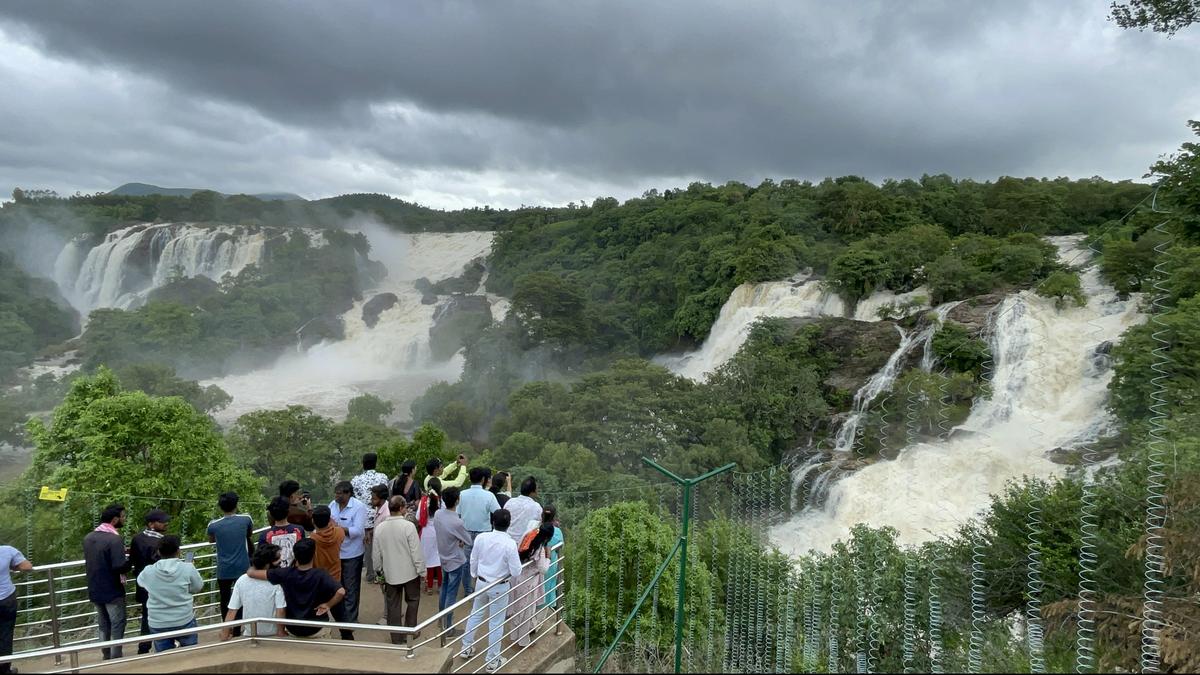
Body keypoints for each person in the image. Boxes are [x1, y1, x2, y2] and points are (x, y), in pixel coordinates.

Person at [459, 509, 522, 673]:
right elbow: (516, 571)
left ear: (492, 522)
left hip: (481, 583)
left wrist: (474, 575)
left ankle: (466, 647)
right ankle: (492, 660)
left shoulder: (481, 538)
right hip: (499, 586)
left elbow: (473, 558)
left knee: (476, 613)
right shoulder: (509, 544)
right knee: (496, 623)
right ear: (509, 524)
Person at [248, 539, 345, 638]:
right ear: (314, 554)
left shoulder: (284, 573)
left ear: (295, 556)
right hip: (317, 627)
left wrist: (256, 562)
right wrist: (328, 605)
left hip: (292, 628)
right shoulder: (321, 575)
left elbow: (251, 573)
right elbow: (341, 592)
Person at [372, 495, 425, 645]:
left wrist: (378, 571)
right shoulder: (408, 526)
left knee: (393, 605)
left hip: (390, 573)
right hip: (410, 573)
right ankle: (410, 630)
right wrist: (422, 570)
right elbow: (416, 551)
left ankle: (396, 637)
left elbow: (376, 554)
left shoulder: (380, 527)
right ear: (402, 508)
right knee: (413, 600)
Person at [136, 535, 203, 652]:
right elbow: (197, 587)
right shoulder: (188, 568)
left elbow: (141, 582)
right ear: (178, 551)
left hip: (158, 622)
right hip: (184, 619)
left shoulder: (148, 571)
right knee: (191, 654)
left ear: (158, 552)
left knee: (165, 657)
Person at [83, 503, 130, 660]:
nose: (124, 519)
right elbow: (118, 565)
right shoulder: (114, 539)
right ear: (115, 519)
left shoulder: (89, 537)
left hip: (94, 587)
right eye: (123, 516)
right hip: (112, 589)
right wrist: (130, 561)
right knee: (117, 622)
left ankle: (106, 654)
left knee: (103, 624)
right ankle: (116, 656)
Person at [207, 492, 254, 639]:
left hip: (224, 568)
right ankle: (238, 629)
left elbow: (211, 540)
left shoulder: (213, 525)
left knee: (225, 599)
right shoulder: (246, 519)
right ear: (236, 504)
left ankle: (226, 628)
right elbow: (249, 534)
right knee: (242, 597)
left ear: (220, 507)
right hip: (243, 566)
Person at [221, 544, 287, 640]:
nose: (280, 561)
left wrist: (225, 634)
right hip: (271, 633)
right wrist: (281, 632)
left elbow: (232, 610)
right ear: (268, 564)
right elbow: (280, 610)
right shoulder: (276, 582)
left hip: (251, 632)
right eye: (277, 559)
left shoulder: (241, 580)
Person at [329, 480, 367, 640]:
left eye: (340, 493)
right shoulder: (332, 505)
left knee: (351, 588)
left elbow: (357, 531)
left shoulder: (359, 507)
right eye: (336, 493)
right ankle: (341, 618)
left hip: (352, 553)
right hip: (337, 553)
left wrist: (336, 529)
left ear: (348, 493)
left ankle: (350, 621)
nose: (337, 496)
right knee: (339, 587)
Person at [129, 509, 169, 654]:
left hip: (142, 584)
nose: (165, 523)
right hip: (159, 585)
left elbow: (132, 559)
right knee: (163, 612)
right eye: (162, 521)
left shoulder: (137, 539)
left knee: (147, 614)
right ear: (151, 524)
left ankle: (144, 647)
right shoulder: (161, 542)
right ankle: (164, 644)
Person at [433, 486, 472, 634]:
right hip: (455, 560)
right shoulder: (457, 522)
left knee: (444, 588)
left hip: (443, 557)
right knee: (451, 593)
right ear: (457, 501)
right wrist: (459, 539)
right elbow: (468, 540)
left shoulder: (438, 514)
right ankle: (448, 627)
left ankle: (440, 618)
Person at [511, 523, 554, 648]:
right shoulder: (539, 549)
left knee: (517, 607)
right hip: (529, 582)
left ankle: (514, 636)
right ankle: (523, 641)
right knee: (527, 610)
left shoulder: (528, 536)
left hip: (519, 578)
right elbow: (543, 569)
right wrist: (548, 557)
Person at [458, 467, 499, 595]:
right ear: (483, 479)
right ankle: (481, 589)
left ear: (470, 478)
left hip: (466, 532)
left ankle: (468, 590)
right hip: (484, 533)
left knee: (466, 563)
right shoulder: (489, 495)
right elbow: (497, 512)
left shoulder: (462, 494)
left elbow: (458, 514)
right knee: (483, 561)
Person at [352, 454, 390, 582]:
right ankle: (383, 572)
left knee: (368, 547)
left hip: (363, 517)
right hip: (381, 514)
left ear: (363, 463)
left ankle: (370, 573)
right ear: (375, 463)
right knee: (382, 545)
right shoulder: (383, 477)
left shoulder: (356, 480)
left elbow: (355, 498)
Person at [0, 545, 32, 674]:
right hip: (6, 599)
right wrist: (12, 566)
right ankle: (4, 670)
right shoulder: (7, 551)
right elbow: (27, 566)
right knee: (5, 636)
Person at [259, 496, 305, 568]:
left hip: (274, 576)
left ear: (271, 513)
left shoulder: (264, 535)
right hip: (295, 575)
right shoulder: (299, 530)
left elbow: (261, 560)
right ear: (288, 512)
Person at [416, 481, 441, 595]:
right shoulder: (441, 500)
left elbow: (417, 517)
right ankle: (440, 585)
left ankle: (429, 586)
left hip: (426, 532)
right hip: (439, 530)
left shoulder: (424, 500)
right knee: (438, 559)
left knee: (428, 560)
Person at [309, 505, 345, 583]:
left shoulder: (312, 539)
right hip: (335, 577)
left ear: (313, 521)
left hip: (319, 578)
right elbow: (335, 527)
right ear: (329, 519)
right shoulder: (339, 532)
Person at [502, 477, 543, 545]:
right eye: (537, 489)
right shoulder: (537, 507)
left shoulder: (510, 502)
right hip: (525, 546)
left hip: (507, 542)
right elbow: (541, 524)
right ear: (533, 491)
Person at [365, 483, 391, 584]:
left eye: (374, 498)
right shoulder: (379, 508)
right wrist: (370, 532)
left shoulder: (386, 514)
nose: (371, 500)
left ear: (381, 499)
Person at [540, 506, 564, 609]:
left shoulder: (536, 527)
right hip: (550, 562)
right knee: (549, 585)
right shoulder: (557, 531)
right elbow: (561, 546)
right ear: (553, 516)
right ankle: (548, 607)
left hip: (536, 562)